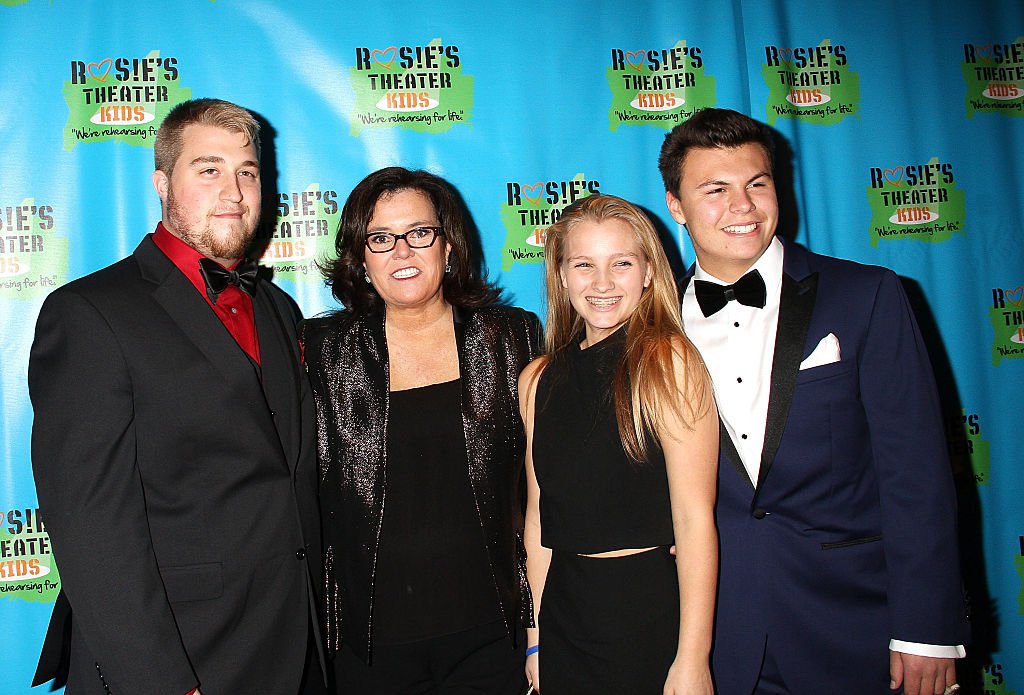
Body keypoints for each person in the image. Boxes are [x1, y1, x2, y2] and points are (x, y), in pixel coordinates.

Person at [659, 107, 970, 695]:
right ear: (675, 206)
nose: (743, 206)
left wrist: (927, 629)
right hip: (710, 637)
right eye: (715, 189)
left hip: (855, 624)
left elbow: (917, 472)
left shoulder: (867, 294)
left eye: (757, 183)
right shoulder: (652, 325)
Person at [28, 98, 324, 695]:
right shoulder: (90, 313)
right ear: (162, 183)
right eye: (208, 169)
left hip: (289, 648)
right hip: (179, 657)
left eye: (248, 171)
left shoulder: (277, 307)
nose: (235, 193)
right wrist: (159, 681)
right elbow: (90, 526)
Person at [303, 166, 541, 694]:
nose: (402, 252)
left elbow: (545, 490)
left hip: (490, 636)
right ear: (360, 258)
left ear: (449, 245)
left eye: (419, 233)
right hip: (368, 648)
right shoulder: (320, 351)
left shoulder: (513, 337)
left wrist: (537, 628)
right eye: (380, 238)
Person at [519, 194, 719, 694]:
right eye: (584, 264)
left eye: (621, 263)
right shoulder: (536, 380)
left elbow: (694, 520)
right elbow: (539, 519)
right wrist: (536, 640)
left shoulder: (669, 362)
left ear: (649, 272)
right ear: (562, 276)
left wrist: (693, 661)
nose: (602, 283)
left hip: (648, 616)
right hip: (564, 616)